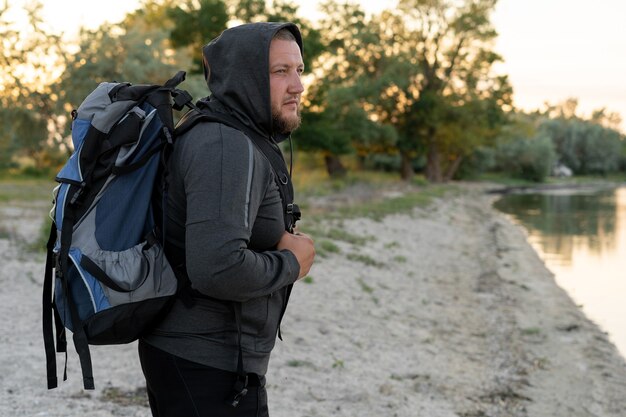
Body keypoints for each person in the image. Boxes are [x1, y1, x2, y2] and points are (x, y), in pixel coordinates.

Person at [138, 22, 315, 416]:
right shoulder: (225, 146)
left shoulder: (231, 133)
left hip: (204, 359)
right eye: (280, 72)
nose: (298, 86)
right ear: (245, 77)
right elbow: (216, 267)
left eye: (299, 71)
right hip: (206, 365)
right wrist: (292, 262)